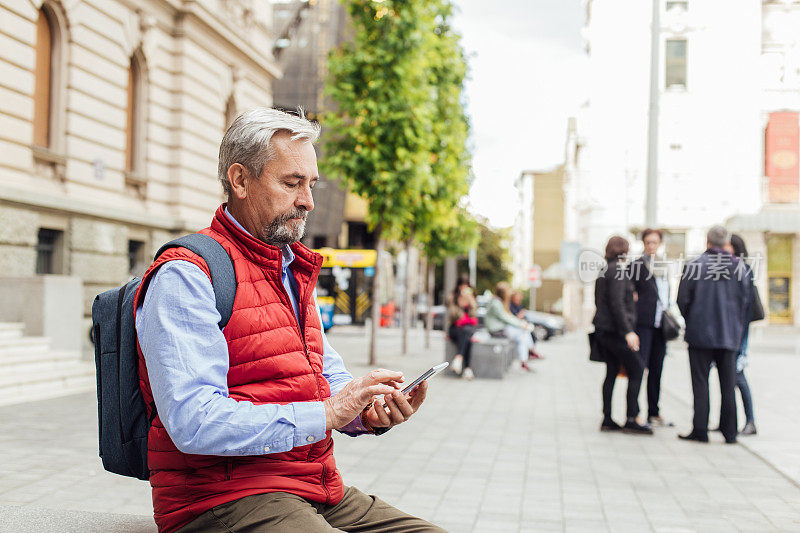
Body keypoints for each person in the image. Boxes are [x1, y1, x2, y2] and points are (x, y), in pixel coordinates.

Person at [134, 108, 443, 533]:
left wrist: (365, 412)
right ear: (240, 180)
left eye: (311, 184)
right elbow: (194, 421)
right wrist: (330, 412)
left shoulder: (291, 270)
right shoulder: (187, 274)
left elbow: (327, 380)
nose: (308, 201)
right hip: (220, 498)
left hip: (312, 486)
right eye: (292, 183)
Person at [677, 225, 752, 445]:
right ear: (725, 242)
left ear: (707, 242)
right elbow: (745, 303)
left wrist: (692, 320)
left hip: (700, 334)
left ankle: (700, 430)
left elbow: (682, 300)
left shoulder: (694, 266)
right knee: (728, 385)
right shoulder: (741, 268)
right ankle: (730, 433)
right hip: (729, 335)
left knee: (700, 383)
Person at [592, 236, 652, 435]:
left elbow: (603, 300)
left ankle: (608, 418)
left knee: (611, 372)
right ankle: (631, 418)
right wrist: (627, 331)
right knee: (637, 368)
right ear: (623, 250)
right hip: (615, 331)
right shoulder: (617, 270)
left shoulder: (605, 270)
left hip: (604, 330)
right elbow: (617, 304)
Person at [628, 228, 673, 428]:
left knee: (657, 370)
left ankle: (654, 413)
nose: (651, 246)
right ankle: (634, 413)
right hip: (643, 325)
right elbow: (629, 293)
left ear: (660, 243)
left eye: (654, 242)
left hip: (660, 326)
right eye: (648, 242)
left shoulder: (664, 266)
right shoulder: (636, 265)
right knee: (639, 368)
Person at [722, 234, 758, 436]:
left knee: (737, 376)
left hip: (738, 332)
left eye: (727, 246)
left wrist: (740, 337)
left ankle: (750, 421)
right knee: (728, 377)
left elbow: (745, 306)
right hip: (731, 330)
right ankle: (727, 421)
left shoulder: (742, 269)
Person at [485, 282, 536, 371]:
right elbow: (505, 318)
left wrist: (521, 324)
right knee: (523, 334)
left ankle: (526, 358)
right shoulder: (496, 303)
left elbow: (508, 316)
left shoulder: (498, 302)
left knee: (524, 334)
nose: (510, 293)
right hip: (496, 330)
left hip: (500, 328)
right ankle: (528, 355)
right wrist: (521, 324)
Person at [446, 274, 478, 380]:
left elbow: (473, 317)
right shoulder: (453, 298)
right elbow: (454, 317)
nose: (464, 289)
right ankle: (467, 369)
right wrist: (460, 303)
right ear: (458, 286)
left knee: (467, 333)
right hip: (455, 329)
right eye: (462, 286)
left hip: (466, 329)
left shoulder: (471, 299)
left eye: (466, 286)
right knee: (467, 335)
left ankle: (458, 360)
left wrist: (471, 303)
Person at [509, 290, 544, 360]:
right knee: (525, 336)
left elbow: (523, 317)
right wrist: (520, 316)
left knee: (529, 334)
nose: (519, 299)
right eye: (517, 297)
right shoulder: (510, 306)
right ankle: (530, 353)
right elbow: (512, 319)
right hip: (513, 328)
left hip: (519, 327)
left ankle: (529, 353)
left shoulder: (518, 306)